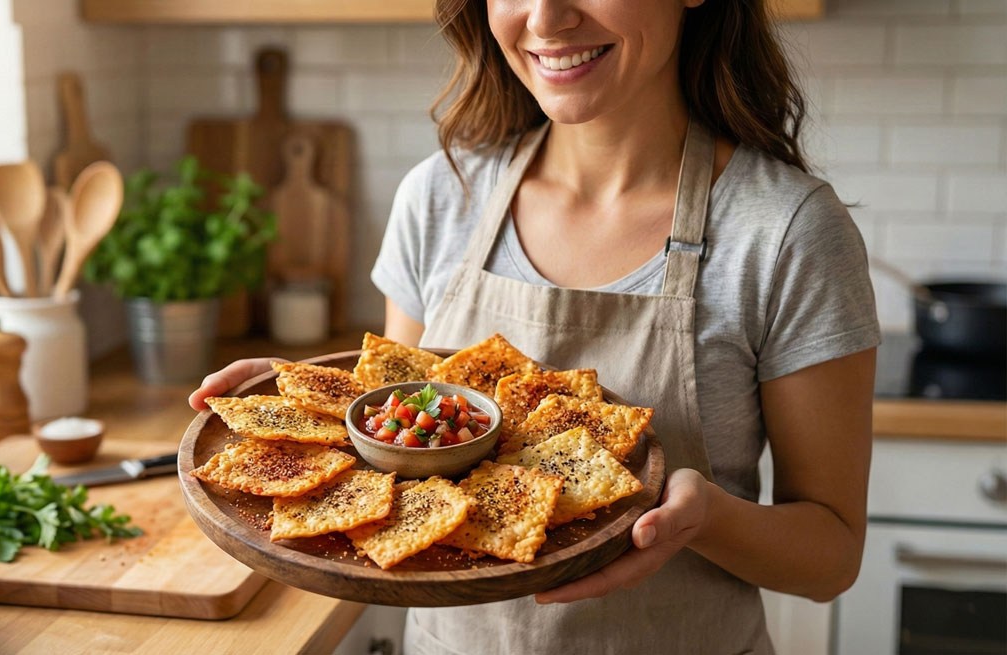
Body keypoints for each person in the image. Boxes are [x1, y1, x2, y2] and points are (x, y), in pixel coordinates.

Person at [190, 0, 880, 652]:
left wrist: (708, 517)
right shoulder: (439, 199)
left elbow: (831, 560)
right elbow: (399, 447)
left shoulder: (787, 232)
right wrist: (299, 410)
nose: (547, 17)